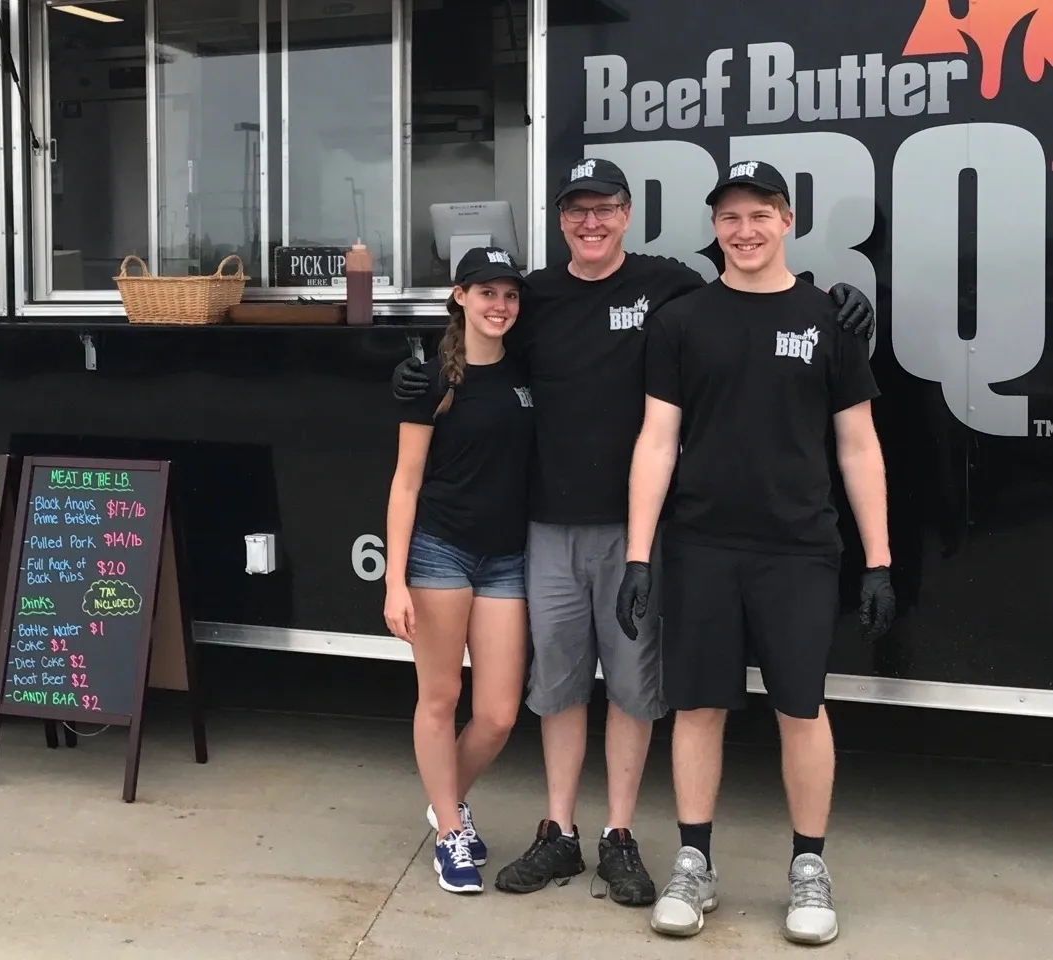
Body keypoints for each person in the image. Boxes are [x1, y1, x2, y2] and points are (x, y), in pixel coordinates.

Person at [391, 157, 878, 906]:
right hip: (544, 530)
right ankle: (558, 831)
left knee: (632, 690)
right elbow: (477, 345)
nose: (592, 222)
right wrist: (418, 366)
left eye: (606, 208)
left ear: (626, 214)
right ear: (559, 221)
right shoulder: (534, 297)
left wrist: (830, 297)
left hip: (636, 532)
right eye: (577, 210)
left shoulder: (668, 286)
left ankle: (619, 835)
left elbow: (754, 290)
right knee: (555, 690)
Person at [616, 160, 898, 944]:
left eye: (759, 214)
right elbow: (656, 440)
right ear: (714, 228)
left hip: (799, 550)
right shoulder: (680, 322)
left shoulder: (830, 320)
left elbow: (857, 446)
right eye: (729, 217)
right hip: (701, 545)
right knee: (697, 707)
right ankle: (693, 864)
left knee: (799, 710)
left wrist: (877, 560)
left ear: (787, 222)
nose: (743, 230)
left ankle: (809, 870)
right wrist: (638, 554)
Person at [384, 245, 535, 895]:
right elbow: (405, 484)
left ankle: (446, 800)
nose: (498, 306)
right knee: (441, 698)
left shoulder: (528, 375)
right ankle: (450, 832)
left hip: (506, 556)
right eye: (485, 293)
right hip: (439, 552)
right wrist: (394, 580)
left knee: (499, 713)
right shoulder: (430, 381)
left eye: (508, 295)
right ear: (458, 297)